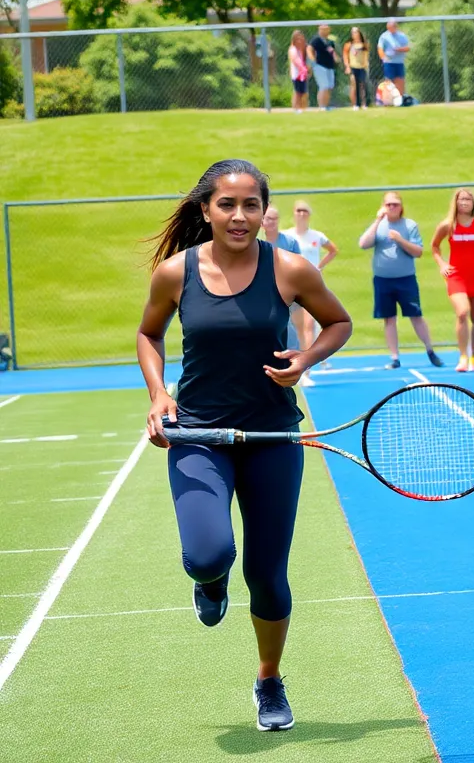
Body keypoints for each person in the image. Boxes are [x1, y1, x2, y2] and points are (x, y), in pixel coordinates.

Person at [136, 159, 353, 733]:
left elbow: (338, 323)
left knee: (267, 573)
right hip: (198, 435)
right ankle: (209, 584)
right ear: (205, 209)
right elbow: (148, 332)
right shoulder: (175, 273)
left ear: (264, 211)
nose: (239, 216)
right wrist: (160, 393)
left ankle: (268, 680)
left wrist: (305, 359)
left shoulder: (291, 270)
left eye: (250, 205)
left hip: (273, 437)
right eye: (227, 205)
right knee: (210, 555)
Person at [358, 191, 443, 369]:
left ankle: (430, 351)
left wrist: (400, 240)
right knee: (389, 318)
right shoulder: (379, 225)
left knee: (415, 315)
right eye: (388, 204)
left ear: (401, 207)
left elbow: (418, 252)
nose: (392, 208)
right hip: (382, 280)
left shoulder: (409, 225)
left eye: (395, 204)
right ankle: (395, 357)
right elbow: (363, 244)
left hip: (405, 280)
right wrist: (377, 221)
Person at [430, 189, 474, 372]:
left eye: (468, 199)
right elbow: (434, 246)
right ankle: (462, 356)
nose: (464, 202)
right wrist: (442, 264)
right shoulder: (448, 226)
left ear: (473, 203)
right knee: (462, 312)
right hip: (456, 276)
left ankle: (473, 356)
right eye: (461, 199)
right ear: (455, 202)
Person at [281, 201, 338, 385]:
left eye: (305, 211)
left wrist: (319, 267)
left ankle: (306, 370)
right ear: (294, 214)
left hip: (311, 286)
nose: (301, 214)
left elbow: (332, 250)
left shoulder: (316, 236)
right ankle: (293, 361)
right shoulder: (288, 236)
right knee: (293, 326)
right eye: (298, 210)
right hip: (292, 285)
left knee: (309, 325)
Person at [261, 205, 302, 351]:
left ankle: (294, 361)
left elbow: (298, 268)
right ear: (262, 221)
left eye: (274, 219)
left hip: (286, 294)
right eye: (268, 219)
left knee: (290, 328)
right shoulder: (254, 242)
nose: (271, 222)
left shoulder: (289, 243)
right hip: (261, 294)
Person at [307, 24, 339, 110]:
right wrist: (312, 60)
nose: (324, 31)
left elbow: (332, 51)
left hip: (330, 66)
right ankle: (322, 106)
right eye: (322, 29)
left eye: (326, 29)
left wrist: (336, 58)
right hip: (320, 66)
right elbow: (309, 49)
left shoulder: (329, 41)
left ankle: (326, 105)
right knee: (323, 86)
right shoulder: (316, 40)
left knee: (329, 86)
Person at [377, 18, 410, 97]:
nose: (390, 29)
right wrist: (384, 58)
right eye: (389, 27)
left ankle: (400, 99)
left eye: (392, 27)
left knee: (400, 80)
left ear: (396, 26)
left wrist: (400, 49)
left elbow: (407, 48)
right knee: (388, 82)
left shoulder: (402, 36)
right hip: (389, 62)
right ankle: (388, 100)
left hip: (399, 62)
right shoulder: (384, 36)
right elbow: (380, 48)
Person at [343, 27, 370, 110]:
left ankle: (364, 103)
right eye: (353, 32)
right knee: (355, 85)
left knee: (363, 84)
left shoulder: (364, 44)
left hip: (362, 67)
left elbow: (366, 55)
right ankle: (356, 104)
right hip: (353, 67)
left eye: (356, 32)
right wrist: (347, 66)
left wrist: (366, 64)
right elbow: (345, 56)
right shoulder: (348, 44)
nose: (355, 34)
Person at [287, 30, 309, 113]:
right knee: (297, 91)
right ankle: (296, 108)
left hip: (302, 73)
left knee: (302, 92)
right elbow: (295, 60)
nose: (300, 40)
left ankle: (301, 108)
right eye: (298, 39)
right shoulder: (293, 49)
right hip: (297, 74)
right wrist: (303, 69)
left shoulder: (300, 49)